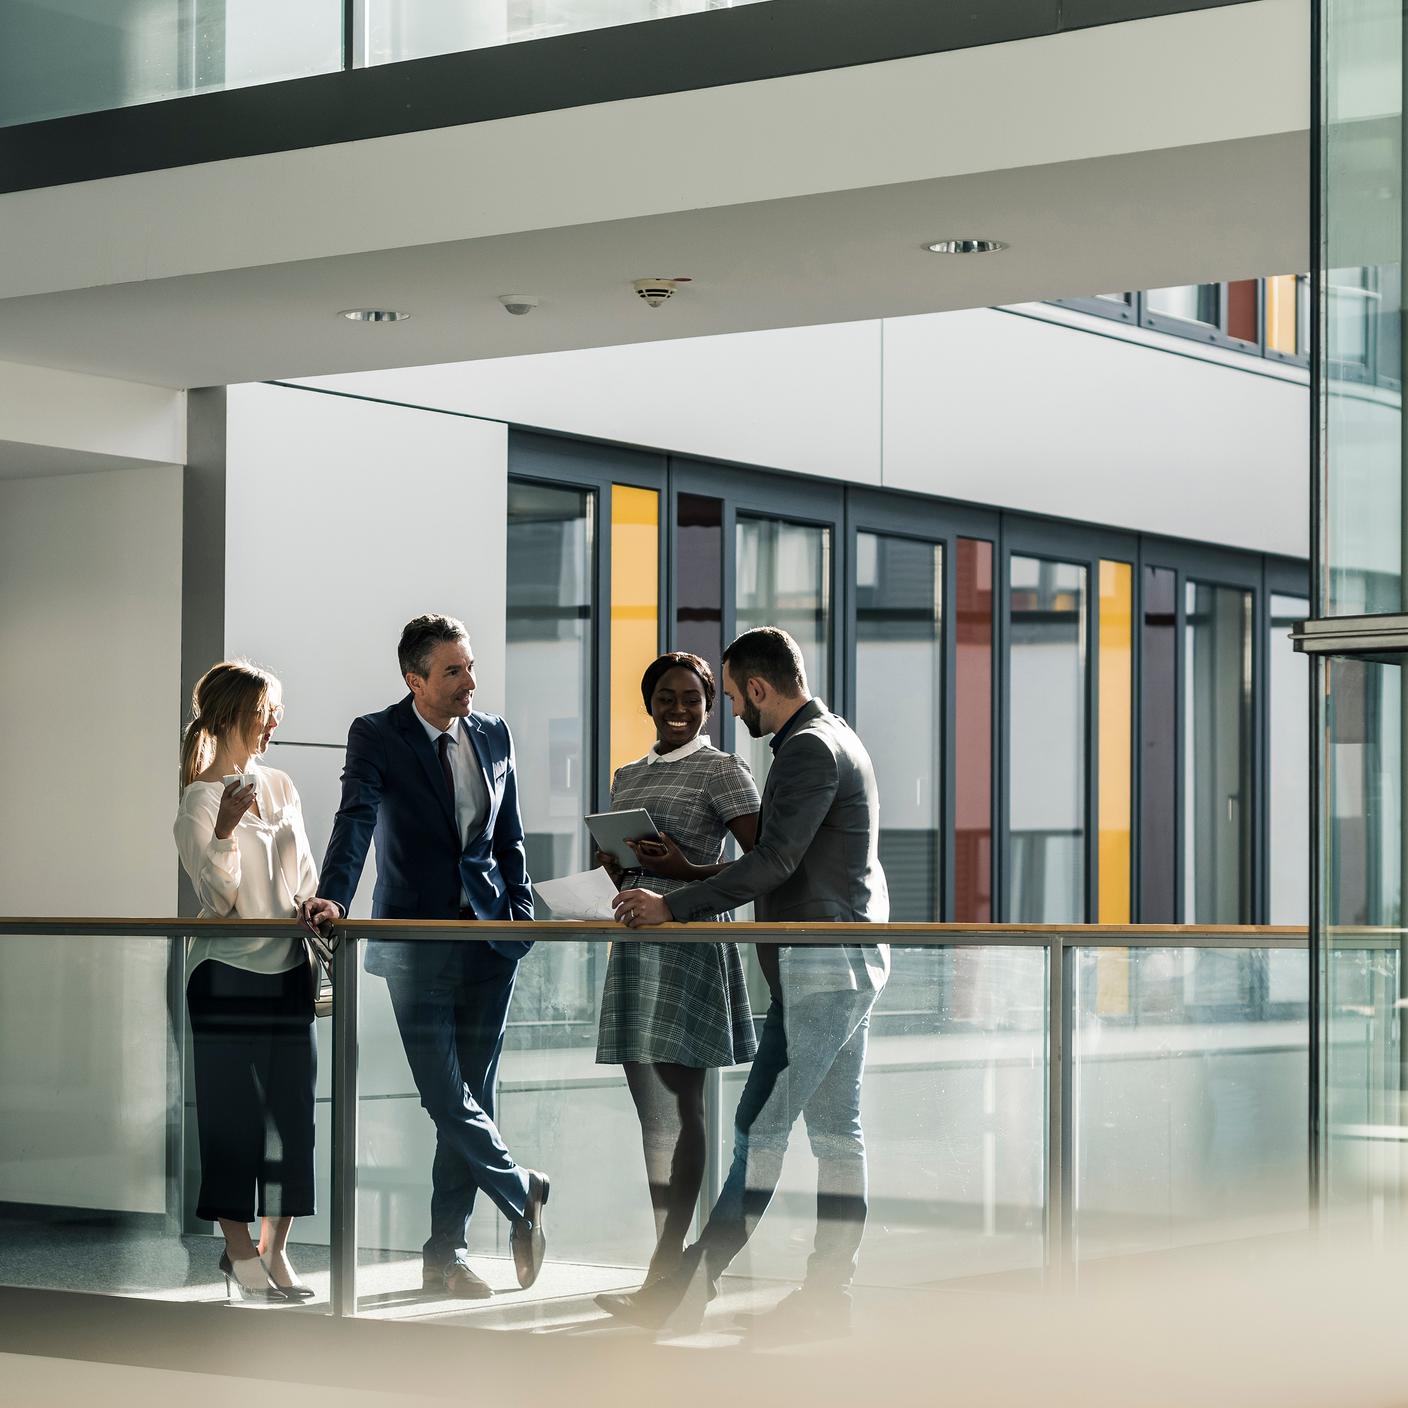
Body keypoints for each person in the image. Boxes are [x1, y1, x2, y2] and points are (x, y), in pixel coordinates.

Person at [607, 626, 890, 1338]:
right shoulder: (837, 737)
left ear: (759, 688)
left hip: (824, 968)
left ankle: (692, 1289)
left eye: (731, 696)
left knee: (758, 1128)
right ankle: (827, 1295)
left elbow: (773, 862)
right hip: (845, 962)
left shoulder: (807, 749)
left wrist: (672, 905)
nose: (733, 711)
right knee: (835, 1136)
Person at [298, 614, 548, 1300]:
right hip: (415, 942)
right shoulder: (378, 735)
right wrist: (335, 899)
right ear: (415, 679)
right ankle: (520, 1190)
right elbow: (355, 817)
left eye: (470, 667)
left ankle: (447, 1252)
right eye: (453, 671)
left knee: (474, 1096)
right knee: (444, 1096)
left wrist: (520, 915)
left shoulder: (494, 734)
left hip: (491, 942)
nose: (470, 682)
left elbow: (512, 838)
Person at [594, 652, 760, 1295]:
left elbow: (765, 864)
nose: (680, 709)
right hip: (636, 946)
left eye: (693, 698)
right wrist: (612, 866)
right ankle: (667, 1260)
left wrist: (687, 871)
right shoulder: (627, 777)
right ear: (649, 704)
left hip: (689, 947)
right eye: (667, 697)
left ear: (710, 705)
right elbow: (627, 865)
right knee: (652, 1114)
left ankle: (668, 1266)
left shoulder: (723, 770)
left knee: (682, 1106)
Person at [174, 660, 319, 1304]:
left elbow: (305, 876)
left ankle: (275, 1250)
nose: (274, 724)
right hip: (226, 975)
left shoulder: (283, 785)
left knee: (294, 1121)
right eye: (266, 712)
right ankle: (237, 1252)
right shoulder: (200, 800)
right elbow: (218, 895)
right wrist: (228, 830)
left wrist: (321, 908)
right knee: (232, 1121)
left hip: (289, 971)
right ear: (235, 714)